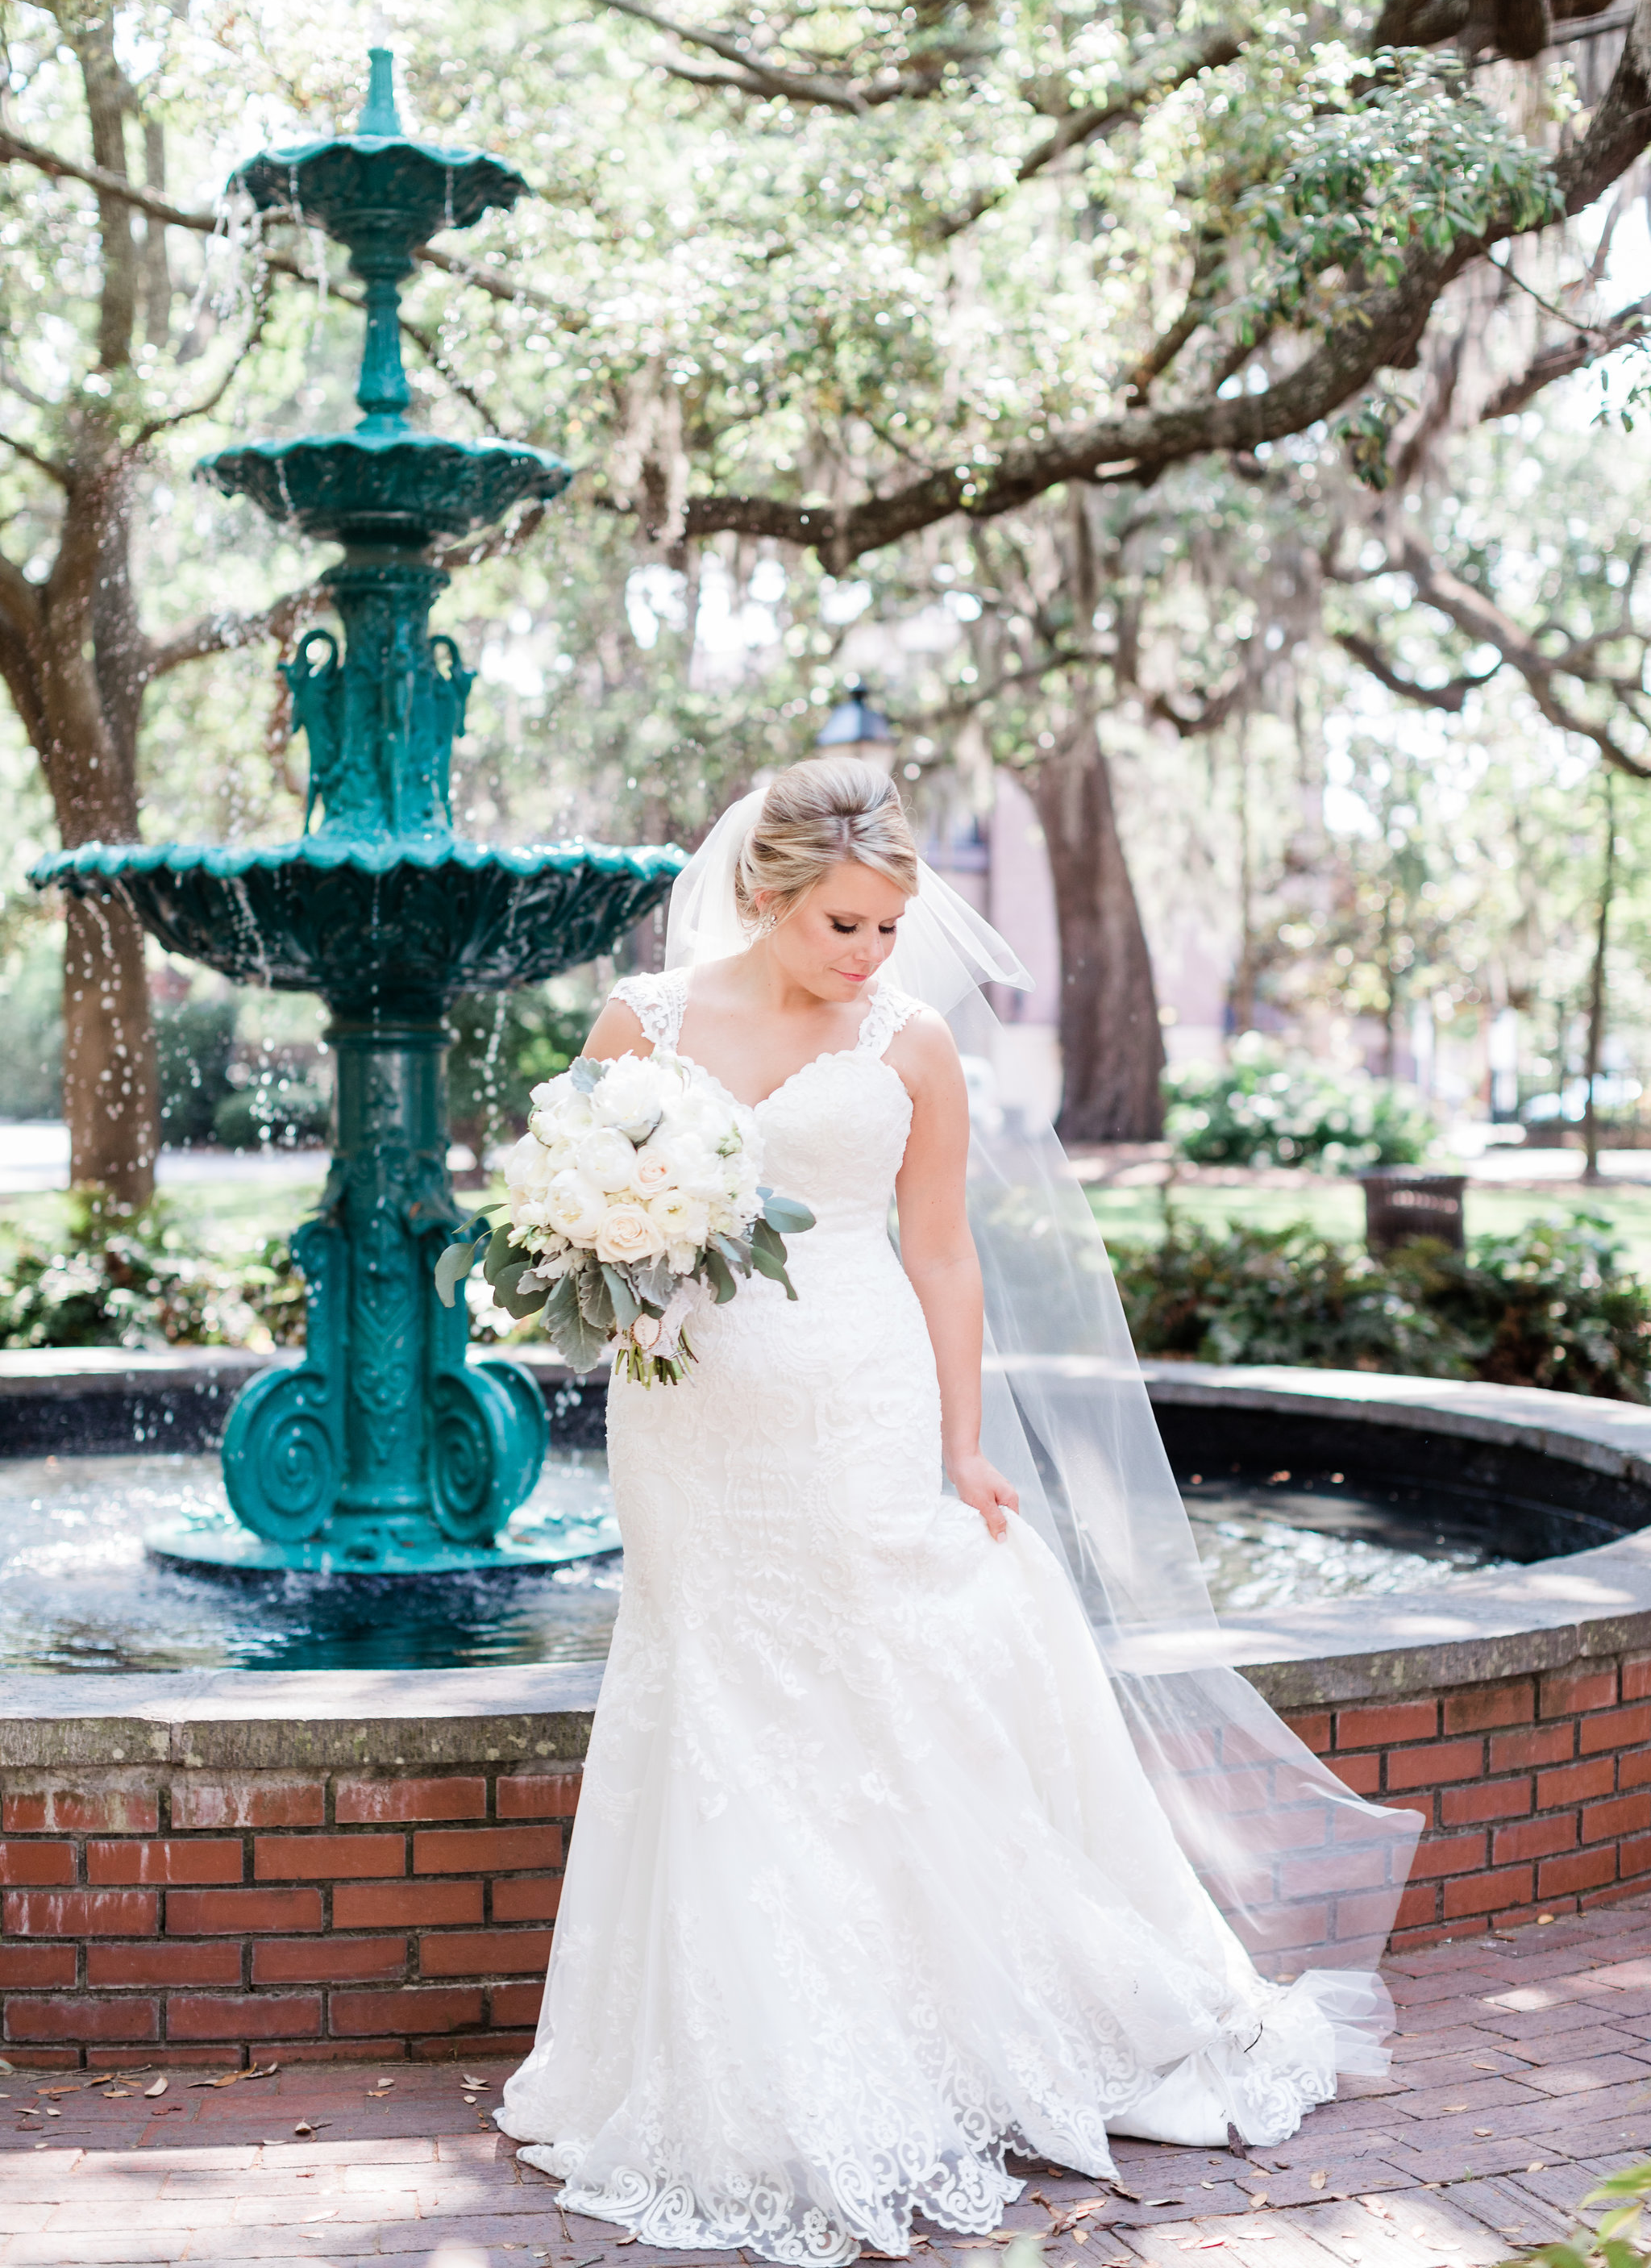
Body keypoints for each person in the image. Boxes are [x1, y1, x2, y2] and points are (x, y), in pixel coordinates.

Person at [498, 759, 1416, 2266]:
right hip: (686, 1414)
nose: (872, 953)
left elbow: (942, 1257)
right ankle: (720, 2051)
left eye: (889, 924)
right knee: (711, 1688)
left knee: (868, 1682)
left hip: (856, 1398)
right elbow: (560, 1209)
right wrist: (603, 1244)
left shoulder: (915, 1043)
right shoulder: (641, 1025)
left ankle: (944, 2019)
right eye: (845, 925)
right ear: (768, 896)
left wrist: (965, 1443)